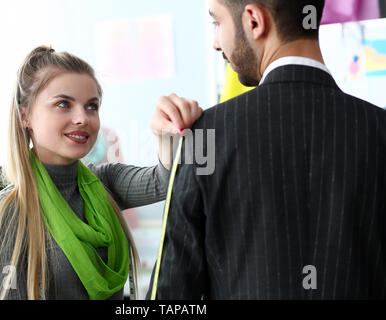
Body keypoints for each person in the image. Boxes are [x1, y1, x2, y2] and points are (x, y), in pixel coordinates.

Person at [148, 0, 386, 299]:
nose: (215, 43)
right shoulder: (379, 130)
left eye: (217, 23)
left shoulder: (204, 136)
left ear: (254, 21)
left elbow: (171, 294)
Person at [0, 45, 203, 300]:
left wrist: (167, 134)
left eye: (92, 106)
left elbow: (165, 181)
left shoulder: (105, 182)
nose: (83, 118)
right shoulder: (7, 212)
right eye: (63, 104)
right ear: (25, 115)